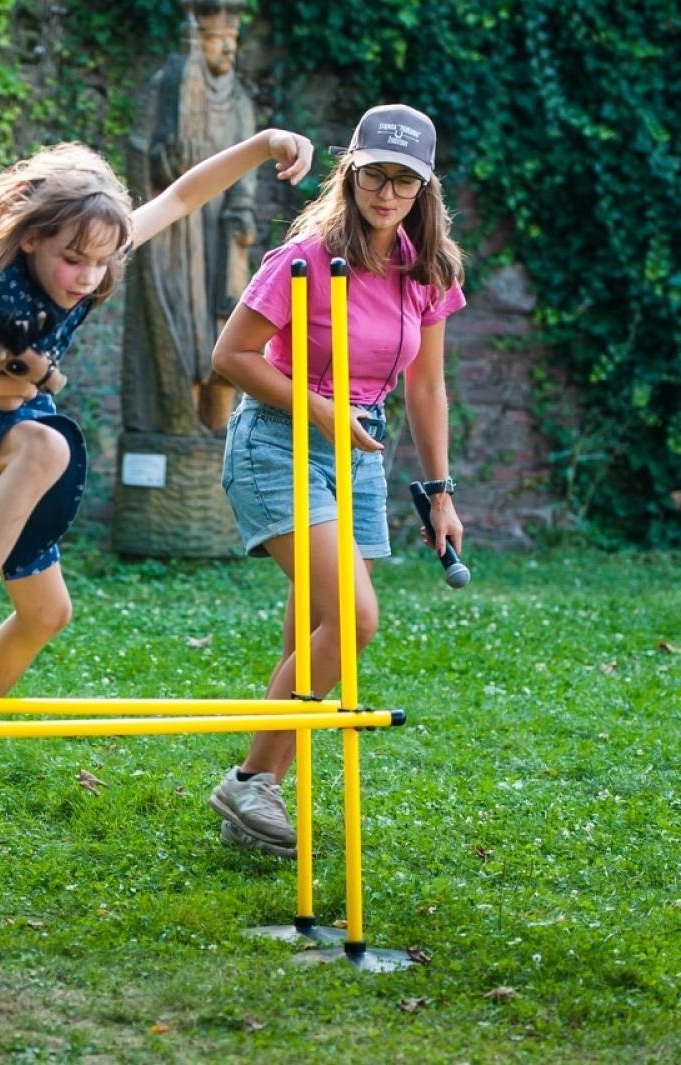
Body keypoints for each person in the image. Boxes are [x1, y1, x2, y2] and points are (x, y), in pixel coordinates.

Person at [0, 130, 315, 822]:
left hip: (11, 450)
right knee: (49, 446)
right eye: (71, 260)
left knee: (47, 612)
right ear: (32, 238)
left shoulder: (97, 253)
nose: (86, 276)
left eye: (98, 262)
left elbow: (181, 197)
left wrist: (261, 145)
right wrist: (14, 386)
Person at [206, 104, 466, 857]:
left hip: (358, 452)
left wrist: (440, 492)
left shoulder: (429, 267)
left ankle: (255, 806)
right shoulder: (307, 256)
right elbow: (233, 355)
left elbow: (426, 388)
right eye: (374, 174)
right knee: (353, 621)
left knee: (313, 632)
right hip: (278, 440)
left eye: (404, 181)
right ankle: (249, 781)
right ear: (349, 173)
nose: (387, 193)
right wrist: (320, 410)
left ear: (425, 189)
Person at [124, 0, 256, 436]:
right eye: (219, 41)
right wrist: (164, 162)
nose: (228, 51)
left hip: (219, 234)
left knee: (221, 323)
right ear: (198, 40)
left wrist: (241, 212)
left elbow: (249, 167)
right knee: (181, 320)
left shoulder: (238, 100)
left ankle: (215, 427)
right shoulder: (167, 86)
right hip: (176, 236)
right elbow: (141, 151)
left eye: (232, 42)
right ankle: (174, 421)